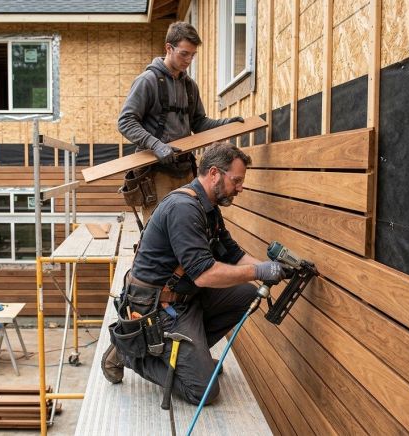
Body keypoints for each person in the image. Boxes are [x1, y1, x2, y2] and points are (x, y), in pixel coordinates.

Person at [102, 142, 288, 405]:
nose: (240, 187)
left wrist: (272, 270)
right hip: (157, 308)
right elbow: (205, 275)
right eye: (236, 180)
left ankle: (191, 357)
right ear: (214, 174)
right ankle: (130, 353)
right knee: (204, 392)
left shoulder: (209, 209)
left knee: (246, 294)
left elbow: (231, 253)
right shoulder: (184, 208)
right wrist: (259, 269)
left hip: (186, 299)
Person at [118, 21, 243, 222]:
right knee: (160, 230)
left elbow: (199, 123)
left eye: (192, 55)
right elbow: (126, 121)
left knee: (189, 224)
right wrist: (156, 146)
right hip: (155, 171)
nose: (188, 60)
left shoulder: (190, 86)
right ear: (169, 48)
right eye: (184, 53)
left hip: (185, 169)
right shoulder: (147, 80)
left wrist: (227, 123)